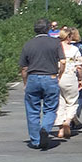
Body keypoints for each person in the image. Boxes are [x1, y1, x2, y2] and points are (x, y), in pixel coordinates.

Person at [19, 18, 64, 150]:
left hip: (33, 77)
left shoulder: (28, 44)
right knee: (50, 108)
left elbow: (24, 68)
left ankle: (35, 140)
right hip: (50, 77)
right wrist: (59, 75)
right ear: (48, 29)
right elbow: (63, 61)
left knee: (32, 110)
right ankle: (45, 127)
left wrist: (25, 82)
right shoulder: (55, 43)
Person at [53, 27, 82, 139]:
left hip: (57, 77)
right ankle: (68, 120)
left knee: (60, 102)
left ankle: (60, 129)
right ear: (69, 37)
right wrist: (80, 79)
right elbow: (79, 66)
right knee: (72, 101)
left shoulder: (56, 49)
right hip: (70, 76)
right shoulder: (74, 49)